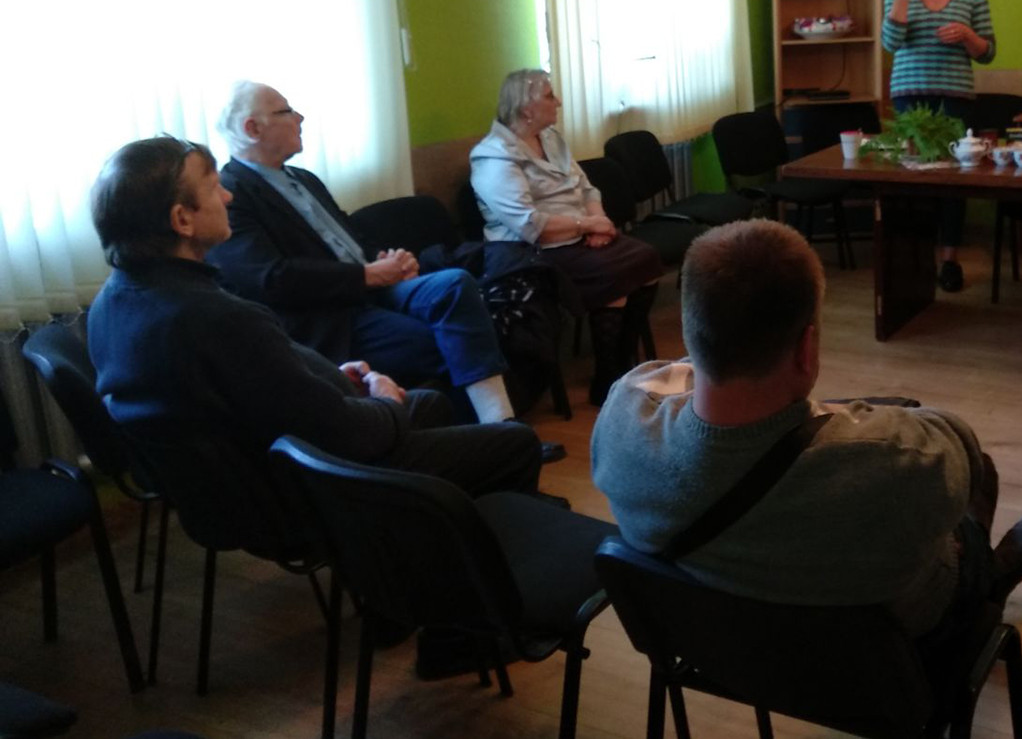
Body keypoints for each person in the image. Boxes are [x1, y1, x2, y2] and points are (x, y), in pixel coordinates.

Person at [591, 219, 1022, 653]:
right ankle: (987, 582)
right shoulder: (899, 460)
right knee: (978, 483)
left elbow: (667, 377)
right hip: (884, 645)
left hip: (718, 644)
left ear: (692, 330)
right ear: (806, 349)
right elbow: (962, 447)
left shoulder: (621, 418)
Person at [87, 136, 543, 505]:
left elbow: (264, 388)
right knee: (514, 446)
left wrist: (331, 376)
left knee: (432, 404)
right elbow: (346, 433)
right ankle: (474, 558)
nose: (226, 195)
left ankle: (432, 544)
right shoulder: (218, 316)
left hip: (221, 494)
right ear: (182, 220)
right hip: (302, 487)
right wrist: (385, 402)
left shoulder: (109, 306)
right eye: (212, 188)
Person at [207, 82, 519, 427]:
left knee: (455, 284)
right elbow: (271, 278)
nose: (300, 117)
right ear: (252, 129)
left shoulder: (303, 179)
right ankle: (489, 432)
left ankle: (501, 423)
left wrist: (388, 259)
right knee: (444, 340)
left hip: (371, 288)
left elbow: (350, 236)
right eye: (286, 111)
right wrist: (366, 275)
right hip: (330, 315)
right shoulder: (233, 195)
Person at [470, 70, 663, 407]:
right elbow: (530, 225)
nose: (557, 101)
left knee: (647, 260)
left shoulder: (551, 138)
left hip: (578, 233)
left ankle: (624, 359)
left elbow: (586, 188)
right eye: (549, 96)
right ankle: (606, 378)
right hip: (530, 252)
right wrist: (588, 225)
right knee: (613, 277)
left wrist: (599, 222)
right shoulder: (493, 157)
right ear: (526, 108)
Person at [882, 0, 996, 293]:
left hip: (955, 95)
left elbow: (987, 52)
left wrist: (966, 35)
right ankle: (917, 260)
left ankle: (949, 260)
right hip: (909, 94)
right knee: (914, 177)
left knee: (951, 179)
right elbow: (890, 43)